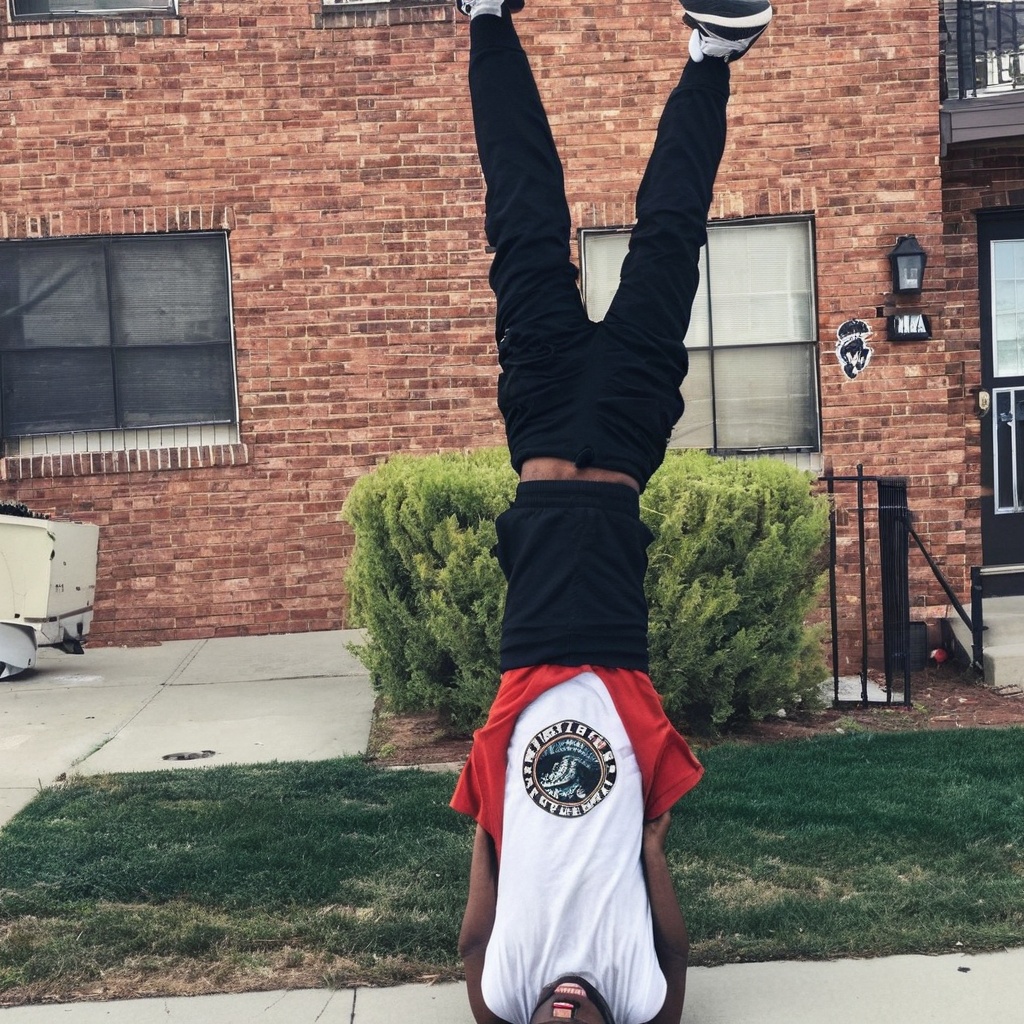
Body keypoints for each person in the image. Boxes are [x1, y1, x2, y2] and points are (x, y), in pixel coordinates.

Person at [449, 2, 773, 1022]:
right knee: (671, 244)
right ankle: (713, 57)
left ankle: (485, 18)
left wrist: (490, 826)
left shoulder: (503, 994)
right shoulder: (640, 997)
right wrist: (648, 848)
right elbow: (676, 955)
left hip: (541, 473)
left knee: (523, 219)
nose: (563, 1021)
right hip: (623, 465)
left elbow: (472, 935)